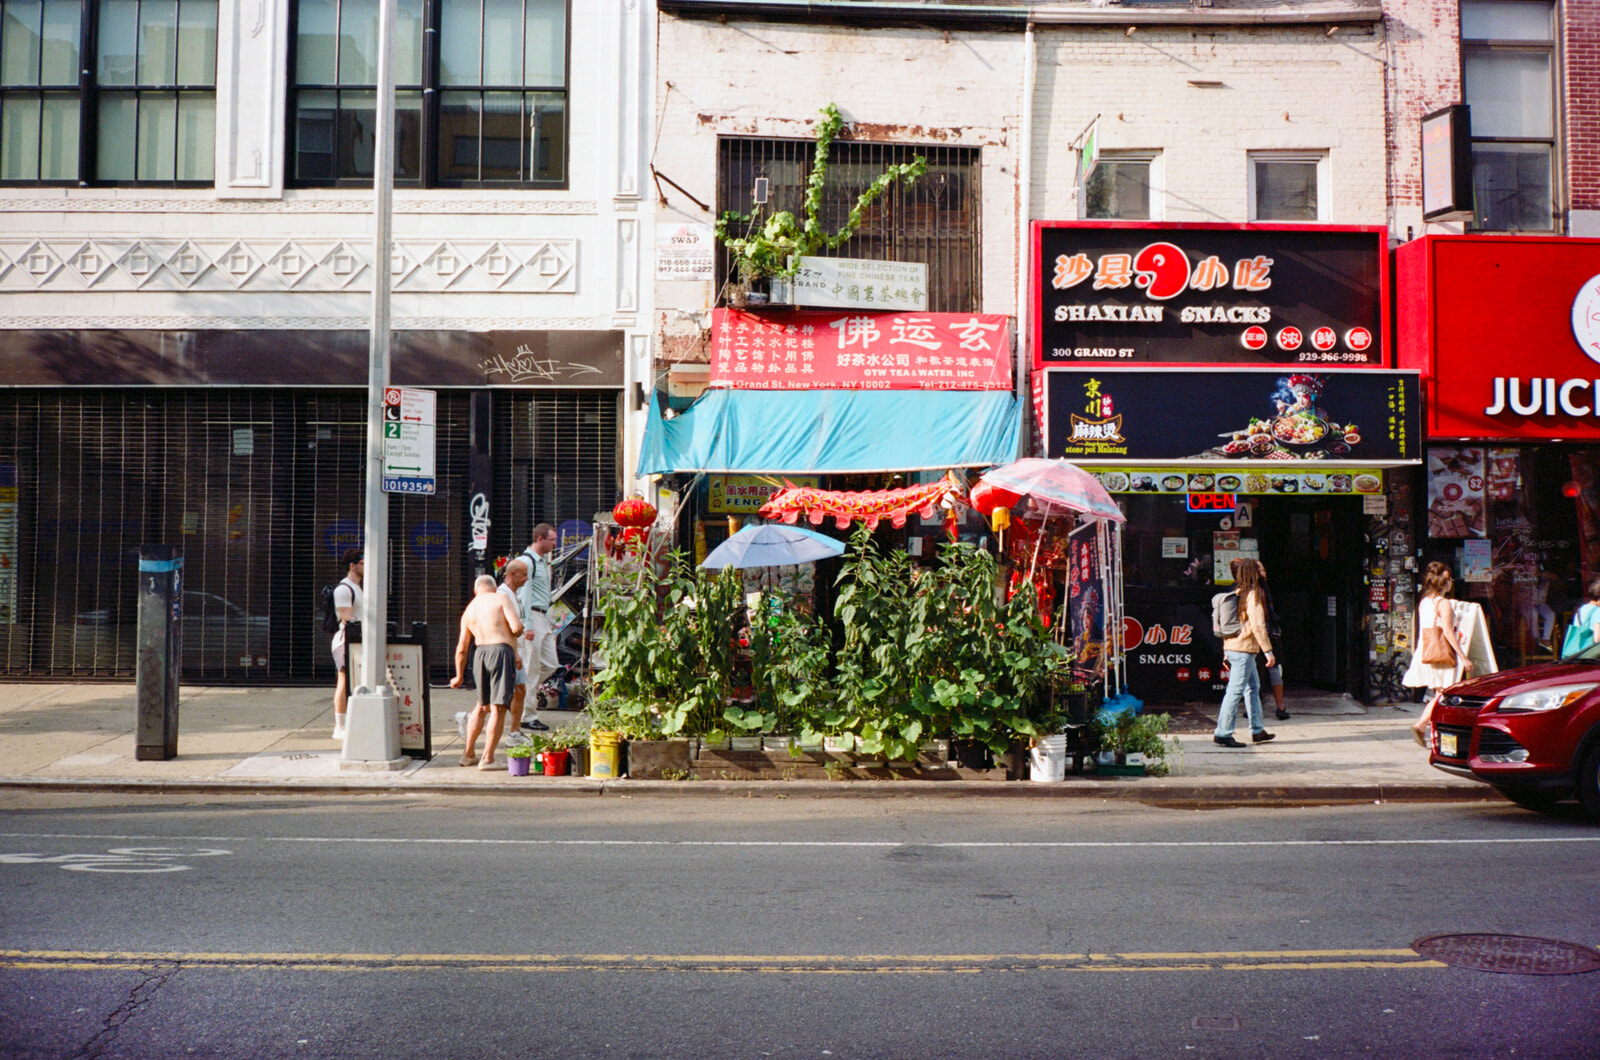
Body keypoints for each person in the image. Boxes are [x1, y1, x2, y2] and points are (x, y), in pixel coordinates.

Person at [449, 574, 525, 770]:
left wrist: (459, 675)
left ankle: (468, 754)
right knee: (498, 708)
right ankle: (488, 758)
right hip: (500, 652)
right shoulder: (501, 598)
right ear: (493, 588)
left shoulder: (469, 610)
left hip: (480, 653)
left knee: (482, 706)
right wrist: (515, 634)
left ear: (476, 590)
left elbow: (461, 649)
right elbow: (516, 627)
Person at [1403, 561, 1474, 747]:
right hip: (1441, 652)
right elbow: (1449, 633)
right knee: (1443, 693)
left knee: (1438, 692)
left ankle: (1432, 731)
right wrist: (1463, 656)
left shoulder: (1425, 602)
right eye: (1449, 579)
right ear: (1445, 582)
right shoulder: (1443, 604)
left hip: (1426, 651)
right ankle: (1421, 724)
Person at [1213, 559, 1276, 748]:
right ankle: (1222, 732)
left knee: (1252, 687)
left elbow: (1229, 624)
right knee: (1235, 690)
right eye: (1260, 570)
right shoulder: (1253, 594)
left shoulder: (1237, 591)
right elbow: (1257, 624)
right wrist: (1268, 651)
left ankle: (1257, 730)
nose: (1263, 572)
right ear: (1254, 573)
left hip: (1234, 647)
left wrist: (1226, 651)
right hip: (1243, 650)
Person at [513, 523, 561, 732]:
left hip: (543, 615)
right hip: (532, 615)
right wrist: (527, 625)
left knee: (550, 663)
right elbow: (523, 594)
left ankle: (520, 692)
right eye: (552, 540)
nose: (555, 543)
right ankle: (527, 714)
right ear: (540, 539)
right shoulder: (528, 561)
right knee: (531, 667)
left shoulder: (542, 561)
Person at [330, 547, 364, 740]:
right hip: (346, 642)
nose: (366, 568)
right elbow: (347, 620)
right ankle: (340, 726)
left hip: (358, 642)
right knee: (343, 680)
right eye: (363, 564)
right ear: (352, 566)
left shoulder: (358, 588)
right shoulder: (344, 589)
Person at [498, 557, 531, 731]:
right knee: (500, 699)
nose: (526, 578)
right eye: (523, 575)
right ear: (512, 574)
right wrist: (515, 653)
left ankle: (515, 730)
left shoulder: (513, 594)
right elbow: (508, 627)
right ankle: (468, 718)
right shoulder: (503, 595)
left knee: (519, 691)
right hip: (508, 650)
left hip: (513, 649)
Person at [1256, 560, 1288, 721]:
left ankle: (1253, 707)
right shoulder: (1264, 590)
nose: (1265, 574)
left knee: (1256, 672)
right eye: (1262, 571)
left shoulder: (1246, 590)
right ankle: (1280, 706)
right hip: (1269, 633)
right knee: (1274, 669)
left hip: (1254, 635)